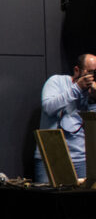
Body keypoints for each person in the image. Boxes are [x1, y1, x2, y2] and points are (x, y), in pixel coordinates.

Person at [34, 53, 96, 183]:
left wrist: (93, 100)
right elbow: (49, 107)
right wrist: (78, 88)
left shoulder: (93, 92)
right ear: (77, 70)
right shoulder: (57, 81)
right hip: (50, 157)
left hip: (81, 159)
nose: (93, 76)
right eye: (90, 72)